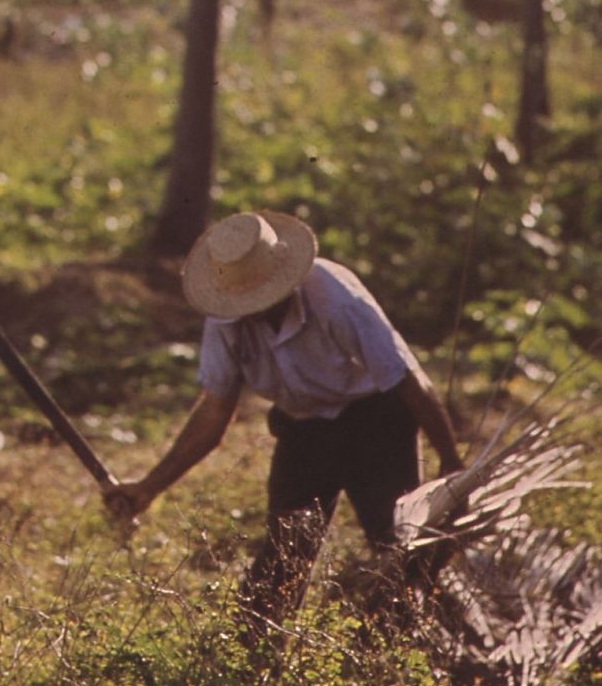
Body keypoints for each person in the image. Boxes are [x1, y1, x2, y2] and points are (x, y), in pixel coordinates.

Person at [104, 210, 463, 638]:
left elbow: (406, 378)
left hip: (376, 422)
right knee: (281, 561)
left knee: (400, 552)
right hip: (304, 430)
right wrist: (149, 487)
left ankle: (431, 649)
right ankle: (252, 663)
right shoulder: (225, 321)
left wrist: (450, 462)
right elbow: (215, 412)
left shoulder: (336, 298)